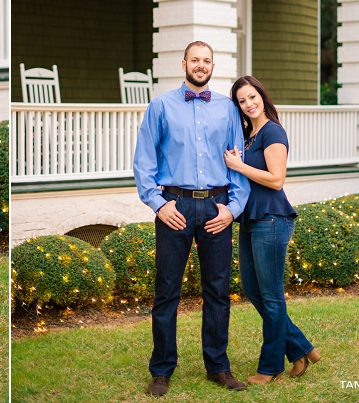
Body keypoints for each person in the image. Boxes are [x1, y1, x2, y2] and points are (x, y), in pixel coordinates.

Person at [133, 41, 251, 398]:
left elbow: (239, 161)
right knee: (167, 290)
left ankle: (218, 366)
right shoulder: (161, 106)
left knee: (217, 291)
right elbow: (144, 161)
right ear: (183, 63)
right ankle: (161, 370)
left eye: (207, 61)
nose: (201, 65)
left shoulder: (229, 109)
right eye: (195, 60)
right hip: (175, 208)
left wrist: (233, 208)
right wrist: (158, 203)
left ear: (213, 66)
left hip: (217, 208)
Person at [224, 75, 320, 384]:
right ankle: (301, 347)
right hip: (251, 219)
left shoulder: (273, 132)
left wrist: (239, 166)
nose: (249, 104)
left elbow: (276, 179)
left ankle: (269, 367)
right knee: (253, 290)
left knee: (272, 296)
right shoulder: (249, 135)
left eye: (252, 97)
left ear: (262, 96)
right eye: (242, 100)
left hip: (271, 219)